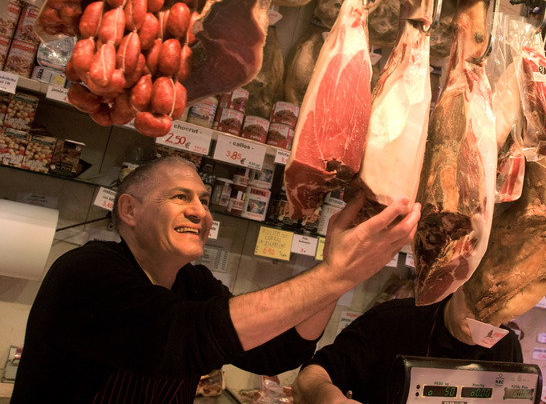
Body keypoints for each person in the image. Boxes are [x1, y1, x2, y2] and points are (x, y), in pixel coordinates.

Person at [11, 156, 420, 402]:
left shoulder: (194, 283)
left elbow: (276, 352)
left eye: (204, 201)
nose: (200, 212)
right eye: (179, 197)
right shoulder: (87, 272)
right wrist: (335, 273)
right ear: (129, 211)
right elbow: (177, 338)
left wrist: (338, 275)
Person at [291, 287, 524, 404]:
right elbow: (308, 379)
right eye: (475, 297)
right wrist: (332, 399)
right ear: (459, 284)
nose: (481, 314)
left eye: (495, 307)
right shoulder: (394, 320)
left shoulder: (506, 346)